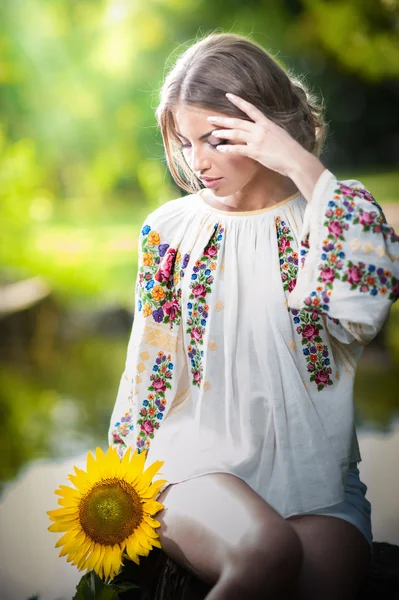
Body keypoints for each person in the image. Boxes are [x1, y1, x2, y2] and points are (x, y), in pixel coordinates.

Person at [108, 32, 399, 599]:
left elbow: (366, 307)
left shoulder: (331, 216)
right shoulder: (170, 231)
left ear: (265, 128)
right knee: (265, 553)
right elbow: (147, 371)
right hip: (195, 469)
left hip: (317, 482)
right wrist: (113, 493)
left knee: (317, 584)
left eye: (217, 139)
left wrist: (296, 159)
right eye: (187, 143)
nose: (198, 163)